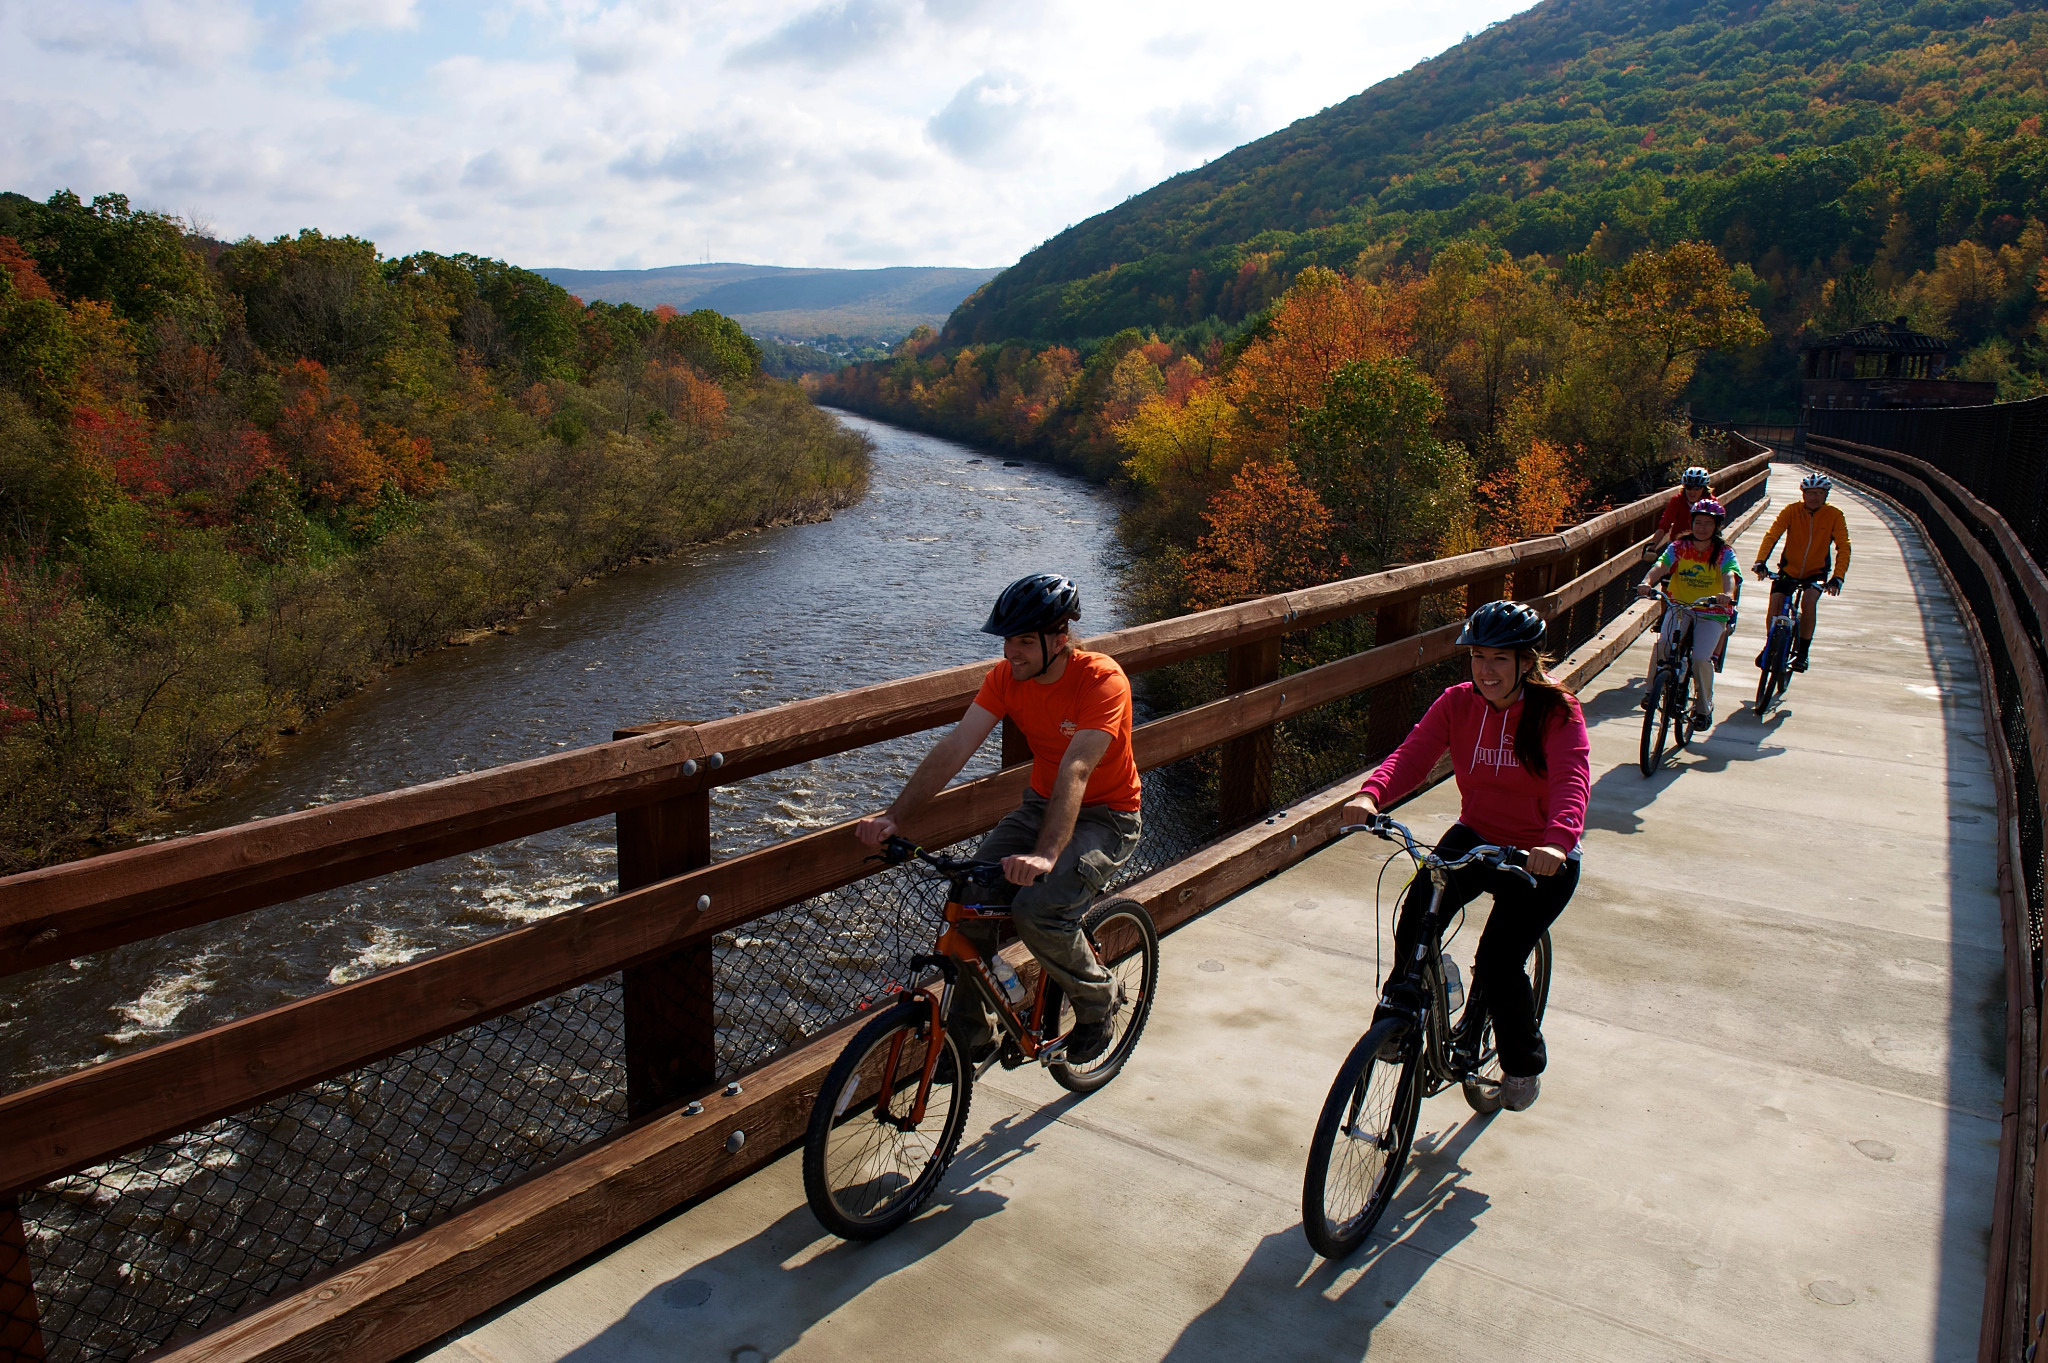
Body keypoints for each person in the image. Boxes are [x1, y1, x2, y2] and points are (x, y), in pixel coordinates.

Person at [856, 573, 1143, 1065]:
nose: (1012, 652)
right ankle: (972, 1036)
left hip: (1107, 816)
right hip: (1039, 806)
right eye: (1008, 639)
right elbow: (956, 746)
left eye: (1025, 641)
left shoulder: (1101, 680)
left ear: (1060, 637)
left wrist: (1045, 855)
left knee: (1038, 910)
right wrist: (893, 817)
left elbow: (1076, 768)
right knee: (969, 900)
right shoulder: (1006, 677)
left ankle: (1098, 1002)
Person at [1339, 601, 1590, 1113]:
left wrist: (1557, 841)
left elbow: (1572, 779)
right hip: (1476, 836)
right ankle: (1400, 1013)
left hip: (1539, 855)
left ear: (1526, 661)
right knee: (1415, 915)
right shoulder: (1458, 703)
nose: (1486, 670)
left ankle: (1522, 1064)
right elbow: (1412, 754)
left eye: (1500, 658)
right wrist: (1371, 795)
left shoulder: (1556, 712)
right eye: (1477, 657)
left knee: (1498, 962)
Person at [1637, 497, 1740, 730]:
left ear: (1716, 527)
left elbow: (1729, 575)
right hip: (1679, 606)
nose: (1702, 528)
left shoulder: (1724, 552)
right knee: (1663, 644)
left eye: (1708, 524)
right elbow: (1661, 566)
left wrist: (1726, 593)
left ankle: (1704, 707)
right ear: (1691, 523)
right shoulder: (1678, 547)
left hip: (1711, 611)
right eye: (1698, 522)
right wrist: (1647, 582)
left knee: (1701, 658)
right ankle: (1651, 692)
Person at [1752, 471, 1851, 673]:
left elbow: (1844, 546)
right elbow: (1772, 535)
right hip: (1789, 569)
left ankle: (1803, 653)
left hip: (1817, 572)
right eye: (1809, 493)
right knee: (1776, 603)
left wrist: (1838, 577)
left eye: (1818, 493)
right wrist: (1761, 561)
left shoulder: (1834, 516)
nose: (1813, 498)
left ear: (1825, 495)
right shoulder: (1792, 510)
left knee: (1808, 602)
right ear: (1803, 494)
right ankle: (1770, 644)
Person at [1646, 466, 1715, 560]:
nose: (1692, 492)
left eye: (1696, 488)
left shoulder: (1711, 503)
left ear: (1704, 488)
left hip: (1702, 547)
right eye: (1688, 487)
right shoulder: (1677, 501)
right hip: (1678, 547)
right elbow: (1664, 524)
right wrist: (1652, 547)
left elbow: (1716, 527)